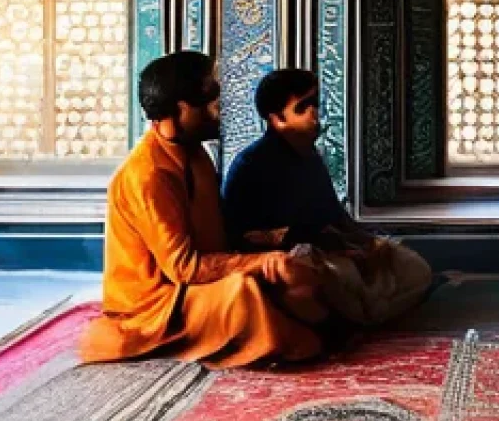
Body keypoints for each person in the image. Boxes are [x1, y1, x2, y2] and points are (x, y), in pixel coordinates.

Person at [81, 51, 328, 368]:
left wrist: (270, 244)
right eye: (208, 100)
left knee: (300, 271)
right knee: (244, 291)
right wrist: (262, 263)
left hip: (200, 285)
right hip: (158, 306)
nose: (218, 110)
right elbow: (184, 268)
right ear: (177, 108)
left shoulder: (196, 154)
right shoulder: (147, 175)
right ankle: (286, 343)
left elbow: (216, 235)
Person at [222, 68, 433, 329]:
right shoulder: (250, 165)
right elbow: (245, 238)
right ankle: (361, 315)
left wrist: (366, 244)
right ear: (277, 118)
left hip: (333, 250)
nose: (314, 114)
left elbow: (333, 214)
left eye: (315, 105)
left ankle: (364, 314)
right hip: (291, 262)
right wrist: (323, 246)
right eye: (303, 107)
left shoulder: (311, 158)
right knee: (339, 277)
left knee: (413, 268)